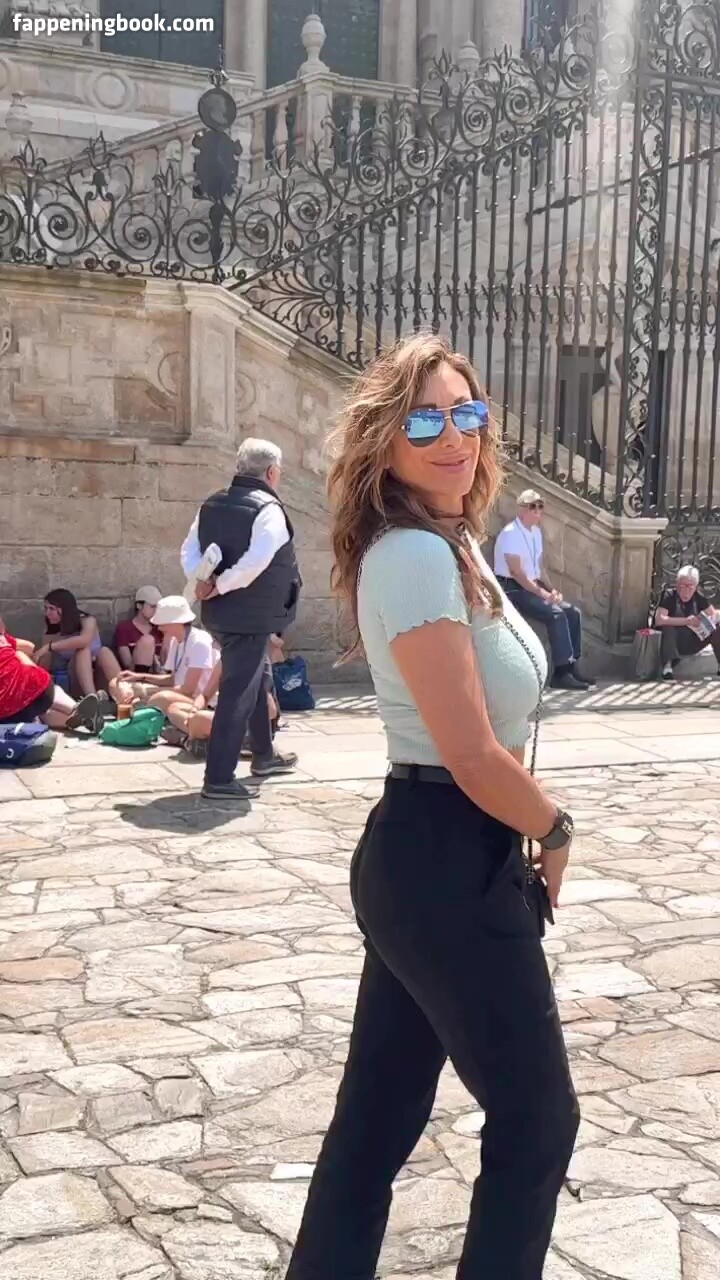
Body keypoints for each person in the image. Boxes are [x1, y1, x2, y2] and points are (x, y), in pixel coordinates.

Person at [285, 334, 578, 1280]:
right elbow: (470, 752)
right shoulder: (413, 553)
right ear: (386, 441)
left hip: (436, 855)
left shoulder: (453, 542)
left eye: (466, 413)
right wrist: (554, 826)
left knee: (377, 1118)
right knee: (538, 1118)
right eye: (423, 421)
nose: (452, 436)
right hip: (445, 853)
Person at [181, 438, 299, 801]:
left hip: (222, 614)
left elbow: (189, 550)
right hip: (249, 615)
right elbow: (256, 562)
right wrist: (219, 584)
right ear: (272, 472)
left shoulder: (211, 503)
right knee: (238, 693)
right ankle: (218, 778)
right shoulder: (269, 510)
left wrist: (202, 580)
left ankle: (263, 755)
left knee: (256, 678)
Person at [493, 490, 594, 690]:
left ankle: (572, 667)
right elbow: (516, 573)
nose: (538, 510)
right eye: (533, 506)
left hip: (531, 585)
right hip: (512, 588)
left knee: (572, 612)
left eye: (540, 506)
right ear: (522, 509)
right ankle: (561, 673)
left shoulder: (536, 533)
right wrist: (542, 594)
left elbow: (539, 569)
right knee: (556, 614)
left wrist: (552, 590)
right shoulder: (511, 533)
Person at [109, 596, 216, 713]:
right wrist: (138, 677)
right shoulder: (176, 641)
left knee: (161, 698)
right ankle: (135, 707)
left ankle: (137, 708)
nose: (159, 627)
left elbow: (188, 690)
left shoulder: (199, 642)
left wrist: (144, 691)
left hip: (198, 702)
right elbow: (173, 679)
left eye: (162, 623)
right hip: (178, 693)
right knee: (116, 684)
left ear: (175, 622)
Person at [0, 618, 102, 733]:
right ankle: (79, 711)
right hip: (37, 685)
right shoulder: (4, 639)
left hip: (8, 709)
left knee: (42, 715)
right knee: (21, 657)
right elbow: (30, 647)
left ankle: (83, 719)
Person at [36, 589, 121, 696]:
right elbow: (43, 660)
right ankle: (92, 697)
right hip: (73, 678)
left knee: (104, 652)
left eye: (51, 609)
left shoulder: (87, 620)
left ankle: (123, 692)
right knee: (82, 651)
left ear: (64, 609)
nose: (47, 613)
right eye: (46, 608)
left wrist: (51, 646)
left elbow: (84, 640)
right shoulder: (50, 631)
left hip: (99, 673)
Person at [655, 564, 720, 680]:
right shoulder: (669, 595)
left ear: (696, 587)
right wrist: (687, 621)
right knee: (667, 627)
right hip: (672, 643)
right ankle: (667, 667)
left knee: (717, 629)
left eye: (690, 587)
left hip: (692, 641)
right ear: (677, 583)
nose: (686, 590)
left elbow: (713, 614)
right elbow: (659, 619)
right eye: (683, 585)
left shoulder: (698, 597)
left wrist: (703, 619)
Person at [113, 586, 163, 672]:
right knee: (147, 641)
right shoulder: (125, 628)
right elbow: (127, 663)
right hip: (136, 673)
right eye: (152, 606)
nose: (156, 610)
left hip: (160, 674)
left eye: (158, 607)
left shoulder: (161, 628)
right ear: (139, 605)